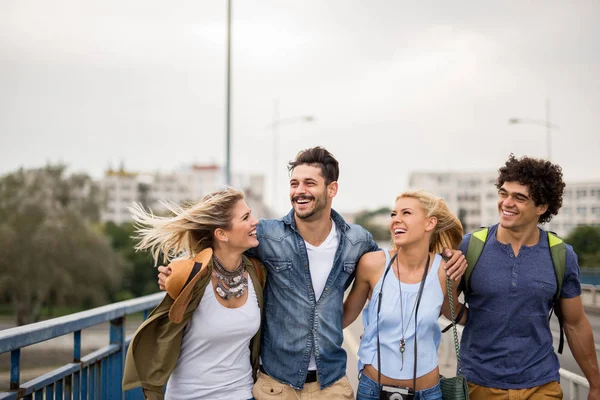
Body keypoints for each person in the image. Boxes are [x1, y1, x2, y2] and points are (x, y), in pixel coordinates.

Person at [158, 146, 467, 399]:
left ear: (331, 189)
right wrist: (183, 270)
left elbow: (400, 256)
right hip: (275, 384)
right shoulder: (266, 235)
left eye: (309, 184)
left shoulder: (357, 241)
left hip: (330, 384)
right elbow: (222, 243)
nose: (299, 191)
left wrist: (445, 253)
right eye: (294, 184)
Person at [459, 154, 600, 400]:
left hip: (541, 384)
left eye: (519, 197)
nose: (506, 202)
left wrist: (596, 384)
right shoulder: (470, 246)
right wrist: (458, 308)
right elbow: (443, 304)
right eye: (503, 193)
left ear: (542, 207)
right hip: (479, 383)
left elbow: (575, 323)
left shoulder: (561, 255)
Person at [122, 188, 266, 400]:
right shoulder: (190, 275)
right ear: (221, 234)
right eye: (245, 217)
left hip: (242, 394)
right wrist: (173, 278)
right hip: (189, 396)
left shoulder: (257, 273)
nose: (255, 221)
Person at [343, 189, 465, 400]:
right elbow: (343, 317)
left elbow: (454, 314)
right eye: (393, 214)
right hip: (373, 391)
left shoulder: (445, 270)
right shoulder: (372, 264)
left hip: (427, 394)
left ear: (430, 223)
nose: (396, 220)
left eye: (406, 213)